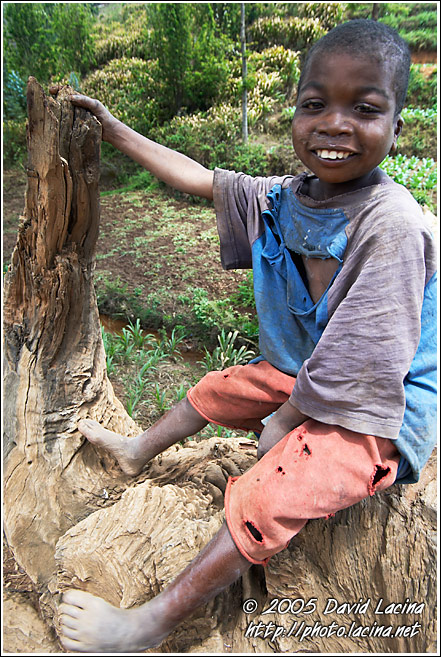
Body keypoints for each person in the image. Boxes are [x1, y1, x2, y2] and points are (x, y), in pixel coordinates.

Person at [59, 19, 437, 653]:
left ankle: (147, 623)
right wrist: (113, 128)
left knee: (268, 490)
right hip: (313, 380)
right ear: (294, 113)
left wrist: (287, 418)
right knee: (223, 386)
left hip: (380, 412)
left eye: (364, 108)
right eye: (315, 104)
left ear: (397, 127)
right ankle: (137, 449)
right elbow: (195, 176)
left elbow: (364, 365)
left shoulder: (394, 225)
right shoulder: (287, 198)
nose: (335, 123)